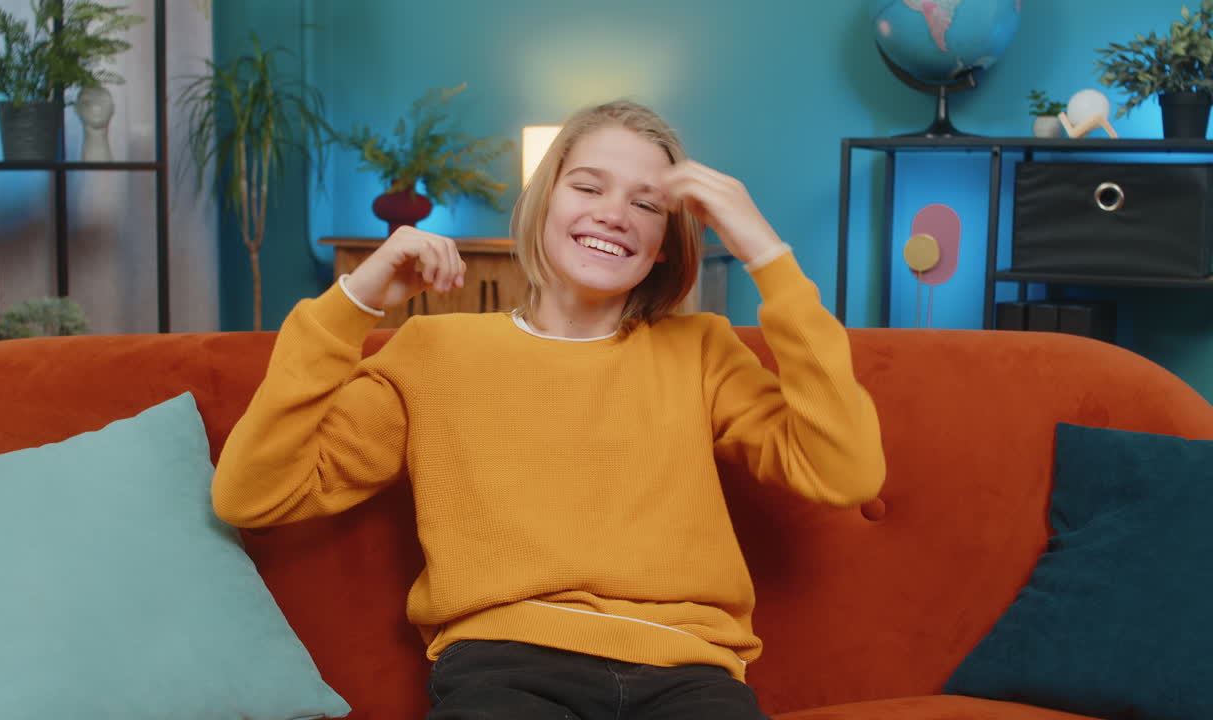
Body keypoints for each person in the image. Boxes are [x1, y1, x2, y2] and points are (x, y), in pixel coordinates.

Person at [212, 99, 885, 719]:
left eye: (647, 205)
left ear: (663, 248)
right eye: (588, 187)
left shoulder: (702, 351)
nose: (613, 214)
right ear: (543, 202)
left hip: (689, 674)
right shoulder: (432, 353)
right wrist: (353, 300)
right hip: (504, 668)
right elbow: (253, 495)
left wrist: (766, 254)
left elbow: (845, 472)